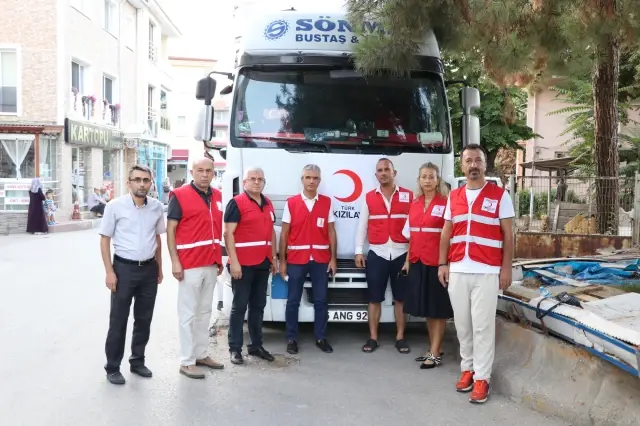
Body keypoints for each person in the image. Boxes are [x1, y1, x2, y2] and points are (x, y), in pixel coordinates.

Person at [438, 144, 514, 404]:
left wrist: (506, 268)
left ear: (484, 165)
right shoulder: (454, 196)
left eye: (477, 160)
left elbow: (508, 235)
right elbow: (446, 233)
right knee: (462, 325)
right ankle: (467, 370)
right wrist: (442, 263)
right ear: (462, 165)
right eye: (468, 160)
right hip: (458, 268)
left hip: (487, 270)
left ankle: (482, 378)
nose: (473, 165)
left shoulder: (499, 195)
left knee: (482, 327)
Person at [99, 164, 166, 385]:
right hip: (123, 269)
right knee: (118, 319)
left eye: (146, 180)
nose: (142, 184)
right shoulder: (114, 207)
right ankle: (113, 367)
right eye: (137, 180)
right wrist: (109, 272)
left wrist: (159, 267)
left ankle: (137, 361)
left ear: (150, 183)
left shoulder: (156, 207)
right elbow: (105, 239)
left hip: (148, 270)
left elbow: (157, 239)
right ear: (129, 182)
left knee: (144, 319)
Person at [167, 157, 225, 379]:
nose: (204, 174)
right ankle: (187, 360)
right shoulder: (179, 195)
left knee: (204, 312)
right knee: (188, 314)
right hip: (189, 263)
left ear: (213, 173)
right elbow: (171, 229)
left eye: (208, 170)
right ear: (192, 172)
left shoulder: (218, 196)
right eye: (200, 170)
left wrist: (219, 259)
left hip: (211, 262)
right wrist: (174, 261)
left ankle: (200, 354)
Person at [355, 158, 413, 354]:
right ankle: (373, 338)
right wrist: (358, 250)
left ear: (394, 173)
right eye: (379, 170)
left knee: (400, 299)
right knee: (374, 298)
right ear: (376, 175)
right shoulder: (369, 197)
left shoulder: (408, 195)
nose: (383, 173)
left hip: (401, 253)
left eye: (386, 169)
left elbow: (415, 226)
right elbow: (362, 225)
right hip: (377, 253)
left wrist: (411, 255)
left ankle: (400, 337)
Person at [279, 164, 337, 355]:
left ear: (319, 180)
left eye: (315, 178)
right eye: (308, 177)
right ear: (302, 179)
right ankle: (291, 338)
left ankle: (321, 337)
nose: (312, 181)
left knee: (321, 300)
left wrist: (333, 258)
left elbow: (331, 231)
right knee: (293, 300)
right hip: (297, 259)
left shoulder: (327, 202)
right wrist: (283, 261)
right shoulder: (292, 202)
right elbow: (284, 233)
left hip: (320, 259)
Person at [224, 167, 277, 365]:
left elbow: (270, 232)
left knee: (258, 307)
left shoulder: (268, 202)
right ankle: (235, 348)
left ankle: (256, 346)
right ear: (244, 182)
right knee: (239, 308)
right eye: (252, 179)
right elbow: (228, 234)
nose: (256, 182)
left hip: (263, 263)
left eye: (260, 179)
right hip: (242, 264)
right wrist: (234, 262)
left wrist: (273, 258)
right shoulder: (236, 203)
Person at [401, 163, 452, 369]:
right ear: (419, 180)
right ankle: (434, 348)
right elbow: (412, 235)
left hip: (437, 263)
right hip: (417, 261)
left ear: (437, 180)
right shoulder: (414, 204)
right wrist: (407, 260)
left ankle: (435, 352)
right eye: (423, 177)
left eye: (431, 177)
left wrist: (445, 263)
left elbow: (449, 236)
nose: (427, 180)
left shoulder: (446, 203)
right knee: (427, 309)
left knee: (437, 310)